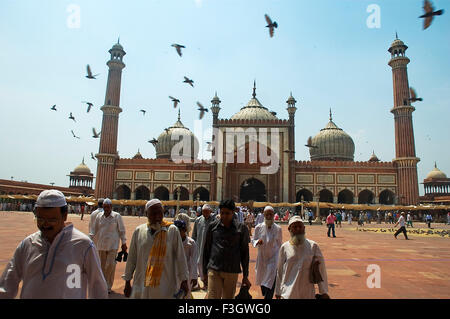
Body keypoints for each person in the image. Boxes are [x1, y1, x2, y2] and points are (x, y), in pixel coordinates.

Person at [0, 190, 108, 299]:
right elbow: (7, 283)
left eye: (52, 219)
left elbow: (97, 286)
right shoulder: (28, 244)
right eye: (40, 219)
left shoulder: (83, 245)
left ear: (64, 216)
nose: (45, 224)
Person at [123, 199, 189, 299]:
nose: (157, 216)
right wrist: (127, 281)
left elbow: (181, 257)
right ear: (146, 214)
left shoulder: (172, 230)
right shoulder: (139, 231)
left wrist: (184, 281)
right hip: (141, 285)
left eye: (160, 213)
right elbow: (132, 258)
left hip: (165, 286)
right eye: (153, 213)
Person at [202, 199, 251, 299]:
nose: (224, 216)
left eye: (227, 213)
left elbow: (245, 253)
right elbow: (207, 249)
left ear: (233, 213)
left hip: (231, 270)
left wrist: (245, 276)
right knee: (213, 297)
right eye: (222, 213)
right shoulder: (213, 227)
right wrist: (204, 272)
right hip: (214, 269)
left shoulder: (241, 229)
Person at [275, 216, 329, 299]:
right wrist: (278, 291)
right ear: (289, 229)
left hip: (307, 292)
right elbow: (280, 271)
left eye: (300, 227)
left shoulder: (313, 246)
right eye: (295, 227)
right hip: (288, 293)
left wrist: (323, 291)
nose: (298, 229)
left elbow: (321, 269)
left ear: (304, 228)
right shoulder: (284, 247)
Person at [89, 198, 127, 294]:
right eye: (104, 207)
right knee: (101, 266)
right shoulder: (99, 216)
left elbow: (121, 230)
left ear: (111, 207)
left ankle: (108, 286)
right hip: (101, 244)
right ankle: (102, 285)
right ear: (103, 207)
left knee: (110, 265)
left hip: (113, 245)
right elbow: (94, 230)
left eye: (108, 207)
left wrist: (124, 243)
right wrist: (89, 240)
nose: (106, 209)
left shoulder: (116, 216)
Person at [252, 206, 282, 299]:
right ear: (264, 215)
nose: (269, 216)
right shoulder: (258, 227)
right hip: (262, 256)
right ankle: (265, 290)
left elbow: (279, 243)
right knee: (262, 277)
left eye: (271, 214)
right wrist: (257, 242)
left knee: (272, 277)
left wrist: (281, 257)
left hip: (274, 256)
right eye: (267, 214)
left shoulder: (278, 228)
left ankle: (268, 297)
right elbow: (253, 240)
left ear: (273, 215)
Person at [192, 204, 215, 290]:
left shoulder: (214, 220)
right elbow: (194, 234)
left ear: (210, 212)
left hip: (210, 246)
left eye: (206, 212)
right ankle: (204, 281)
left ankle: (208, 282)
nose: (205, 214)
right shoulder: (198, 220)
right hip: (199, 246)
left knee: (209, 264)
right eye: (203, 212)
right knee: (200, 263)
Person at [174, 220, 198, 297]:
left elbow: (194, 260)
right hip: (174, 271)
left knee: (186, 293)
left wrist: (194, 277)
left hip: (187, 273)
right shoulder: (171, 242)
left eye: (179, 231)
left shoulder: (191, 243)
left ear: (185, 230)